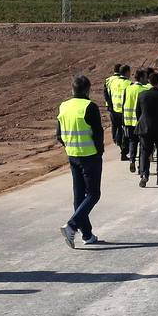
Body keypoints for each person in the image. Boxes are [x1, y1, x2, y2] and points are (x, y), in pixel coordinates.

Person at [58, 75, 105, 247]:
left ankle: (86, 234)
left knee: (79, 196)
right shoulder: (89, 106)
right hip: (90, 155)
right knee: (93, 194)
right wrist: (99, 152)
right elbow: (98, 133)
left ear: (72, 89)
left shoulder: (63, 106)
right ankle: (72, 225)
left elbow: (59, 134)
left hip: (73, 155)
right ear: (87, 90)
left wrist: (70, 146)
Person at [120, 69, 146, 171]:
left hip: (128, 120)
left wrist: (123, 120)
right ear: (141, 78)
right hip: (140, 121)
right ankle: (141, 165)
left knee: (132, 141)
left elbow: (123, 104)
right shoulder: (143, 90)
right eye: (145, 77)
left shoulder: (128, 89)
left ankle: (132, 160)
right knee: (142, 143)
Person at [104, 64, 124, 153]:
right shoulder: (121, 80)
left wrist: (109, 103)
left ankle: (115, 139)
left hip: (110, 106)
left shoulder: (108, 80)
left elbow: (105, 93)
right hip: (119, 106)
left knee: (114, 124)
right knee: (120, 126)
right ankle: (119, 141)